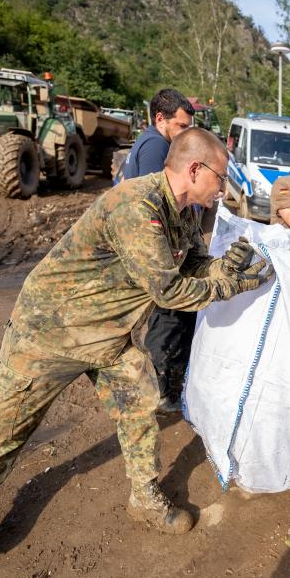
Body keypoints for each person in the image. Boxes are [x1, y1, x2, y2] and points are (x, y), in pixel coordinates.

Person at [0, 128, 273, 563]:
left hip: (107, 335)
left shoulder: (184, 211)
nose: (223, 187)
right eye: (220, 177)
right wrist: (228, 287)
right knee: (6, 427)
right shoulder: (136, 206)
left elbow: (193, 263)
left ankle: (144, 497)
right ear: (195, 169)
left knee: (140, 404)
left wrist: (221, 266)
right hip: (52, 330)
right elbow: (168, 290)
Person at [114, 89, 198, 414]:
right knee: (167, 322)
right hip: (149, 251)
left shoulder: (156, 141)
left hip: (149, 248)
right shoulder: (156, 147)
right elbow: (153, 207)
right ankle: (155, 394)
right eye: (180, 126)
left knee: (170, 319)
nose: (184, 134)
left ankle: (159, 391)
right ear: (160, 119)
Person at [115, 89, 194, 185]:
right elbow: (152, 195)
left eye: (188, 127)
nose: (187, 132)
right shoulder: (155, 144)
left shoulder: (149, 137)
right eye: (182, 126)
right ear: (160, 119)